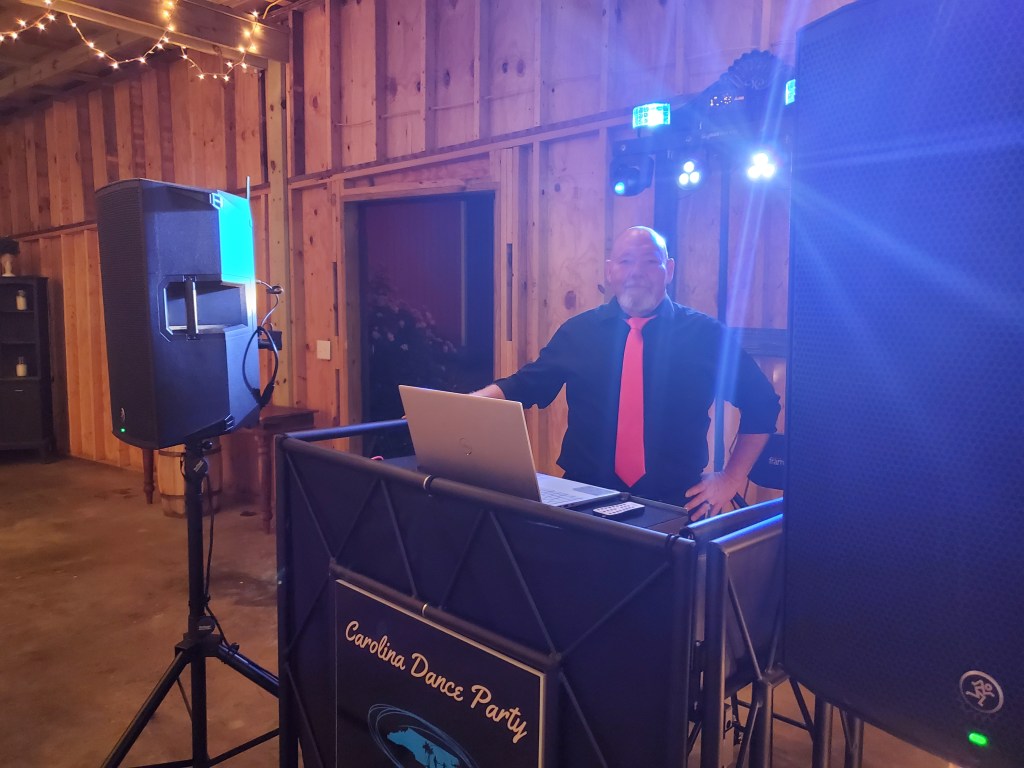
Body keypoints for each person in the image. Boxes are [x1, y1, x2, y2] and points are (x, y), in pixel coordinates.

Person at [473, 226, 780, 520]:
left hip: (676, 505)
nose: (636, 272)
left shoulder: (707, 336)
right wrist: (465, 405)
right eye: (625, 261)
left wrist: (731, 478)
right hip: (583, 503)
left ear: (669, 270)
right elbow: (524, 386)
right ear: (610, 271)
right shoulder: (578, 333)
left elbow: (762, 403)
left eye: (650, 261)